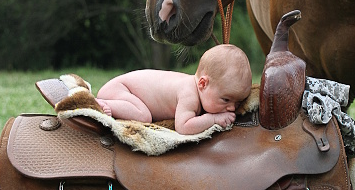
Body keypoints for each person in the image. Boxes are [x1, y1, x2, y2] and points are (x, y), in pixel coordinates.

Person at [96, 44, 252, 135]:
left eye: (237, 102)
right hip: (120, 91)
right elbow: (183, 127)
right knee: (143, 116)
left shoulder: (197, 88)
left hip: (124, 90)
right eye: (226, 100)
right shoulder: (189, 94)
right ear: (203, 84)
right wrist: (213, 119)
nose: (232, 108)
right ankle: (102, 105)